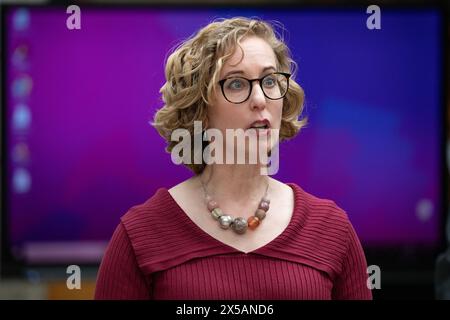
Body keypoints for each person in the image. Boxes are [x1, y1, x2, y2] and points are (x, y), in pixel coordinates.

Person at [94, 17, 372, 300]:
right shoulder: (141, 235)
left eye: (270, 80)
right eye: (237, 83)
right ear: (199, 107)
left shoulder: (331, 229)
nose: (260, 99)